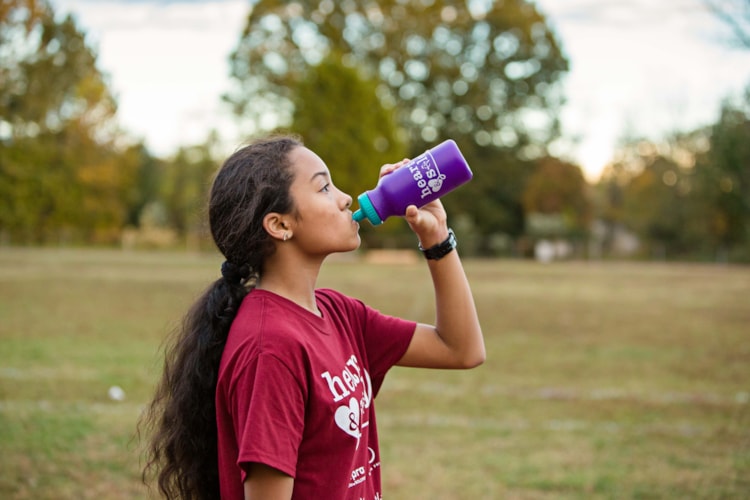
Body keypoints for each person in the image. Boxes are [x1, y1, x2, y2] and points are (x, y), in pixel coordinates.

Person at [140, 135, 484, 500]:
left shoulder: (340, 314)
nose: (345, 198)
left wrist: (437, 238)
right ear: (280, 225)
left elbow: (460, 349)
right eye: (324, 188)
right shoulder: (271, 348)